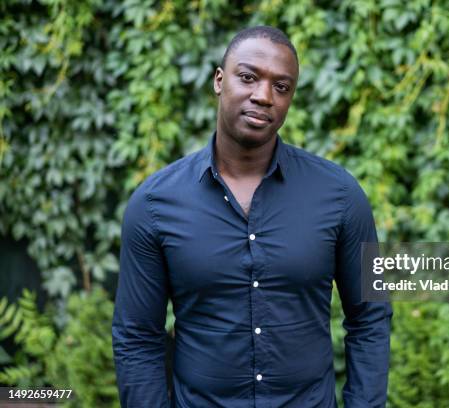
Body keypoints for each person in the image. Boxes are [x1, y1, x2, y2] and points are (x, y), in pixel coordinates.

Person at [112, 25, 392, 408]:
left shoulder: (342, 195)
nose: (263, 96)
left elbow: (370, 318)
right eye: (248, 77)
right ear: (219, 80)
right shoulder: (154, 204)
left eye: (282, 87)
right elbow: (137, 335)